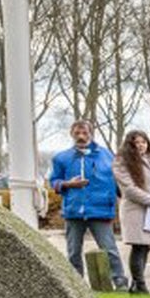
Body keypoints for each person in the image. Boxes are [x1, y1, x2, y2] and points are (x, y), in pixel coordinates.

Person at [48, 119, 127, 289]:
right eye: (77, 133)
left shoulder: (107, 155)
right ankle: (77, 286)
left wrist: (125, 200)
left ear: (91, 133)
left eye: (84, 133)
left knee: (109, 249)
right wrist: (68, 184)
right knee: (73, 251)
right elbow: (53, 181)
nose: (81, 136)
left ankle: (120, 282)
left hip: (100, 211)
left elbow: (118, 181)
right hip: (74, 211)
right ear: (71, 134)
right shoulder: (61, 158)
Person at [111, 130, 150, 295]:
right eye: (136, 143)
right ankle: (140, 285)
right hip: (135, 210)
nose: (140, 146)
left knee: (146, 247)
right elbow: (129, 190)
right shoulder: (121, 162)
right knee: (139, 246)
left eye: (143, 142)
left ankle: (136, 285)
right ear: (130, 145)